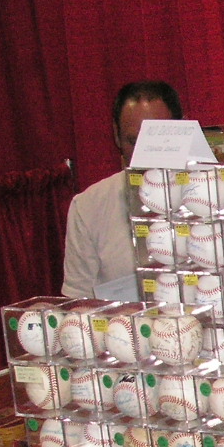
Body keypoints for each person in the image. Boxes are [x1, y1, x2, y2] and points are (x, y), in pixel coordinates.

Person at [61, 81, 181, 298]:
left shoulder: (214, 195)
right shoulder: (88, 206)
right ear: (116, 135)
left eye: (158, 140)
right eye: (133, 141)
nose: (146, 153)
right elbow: (78, 299)